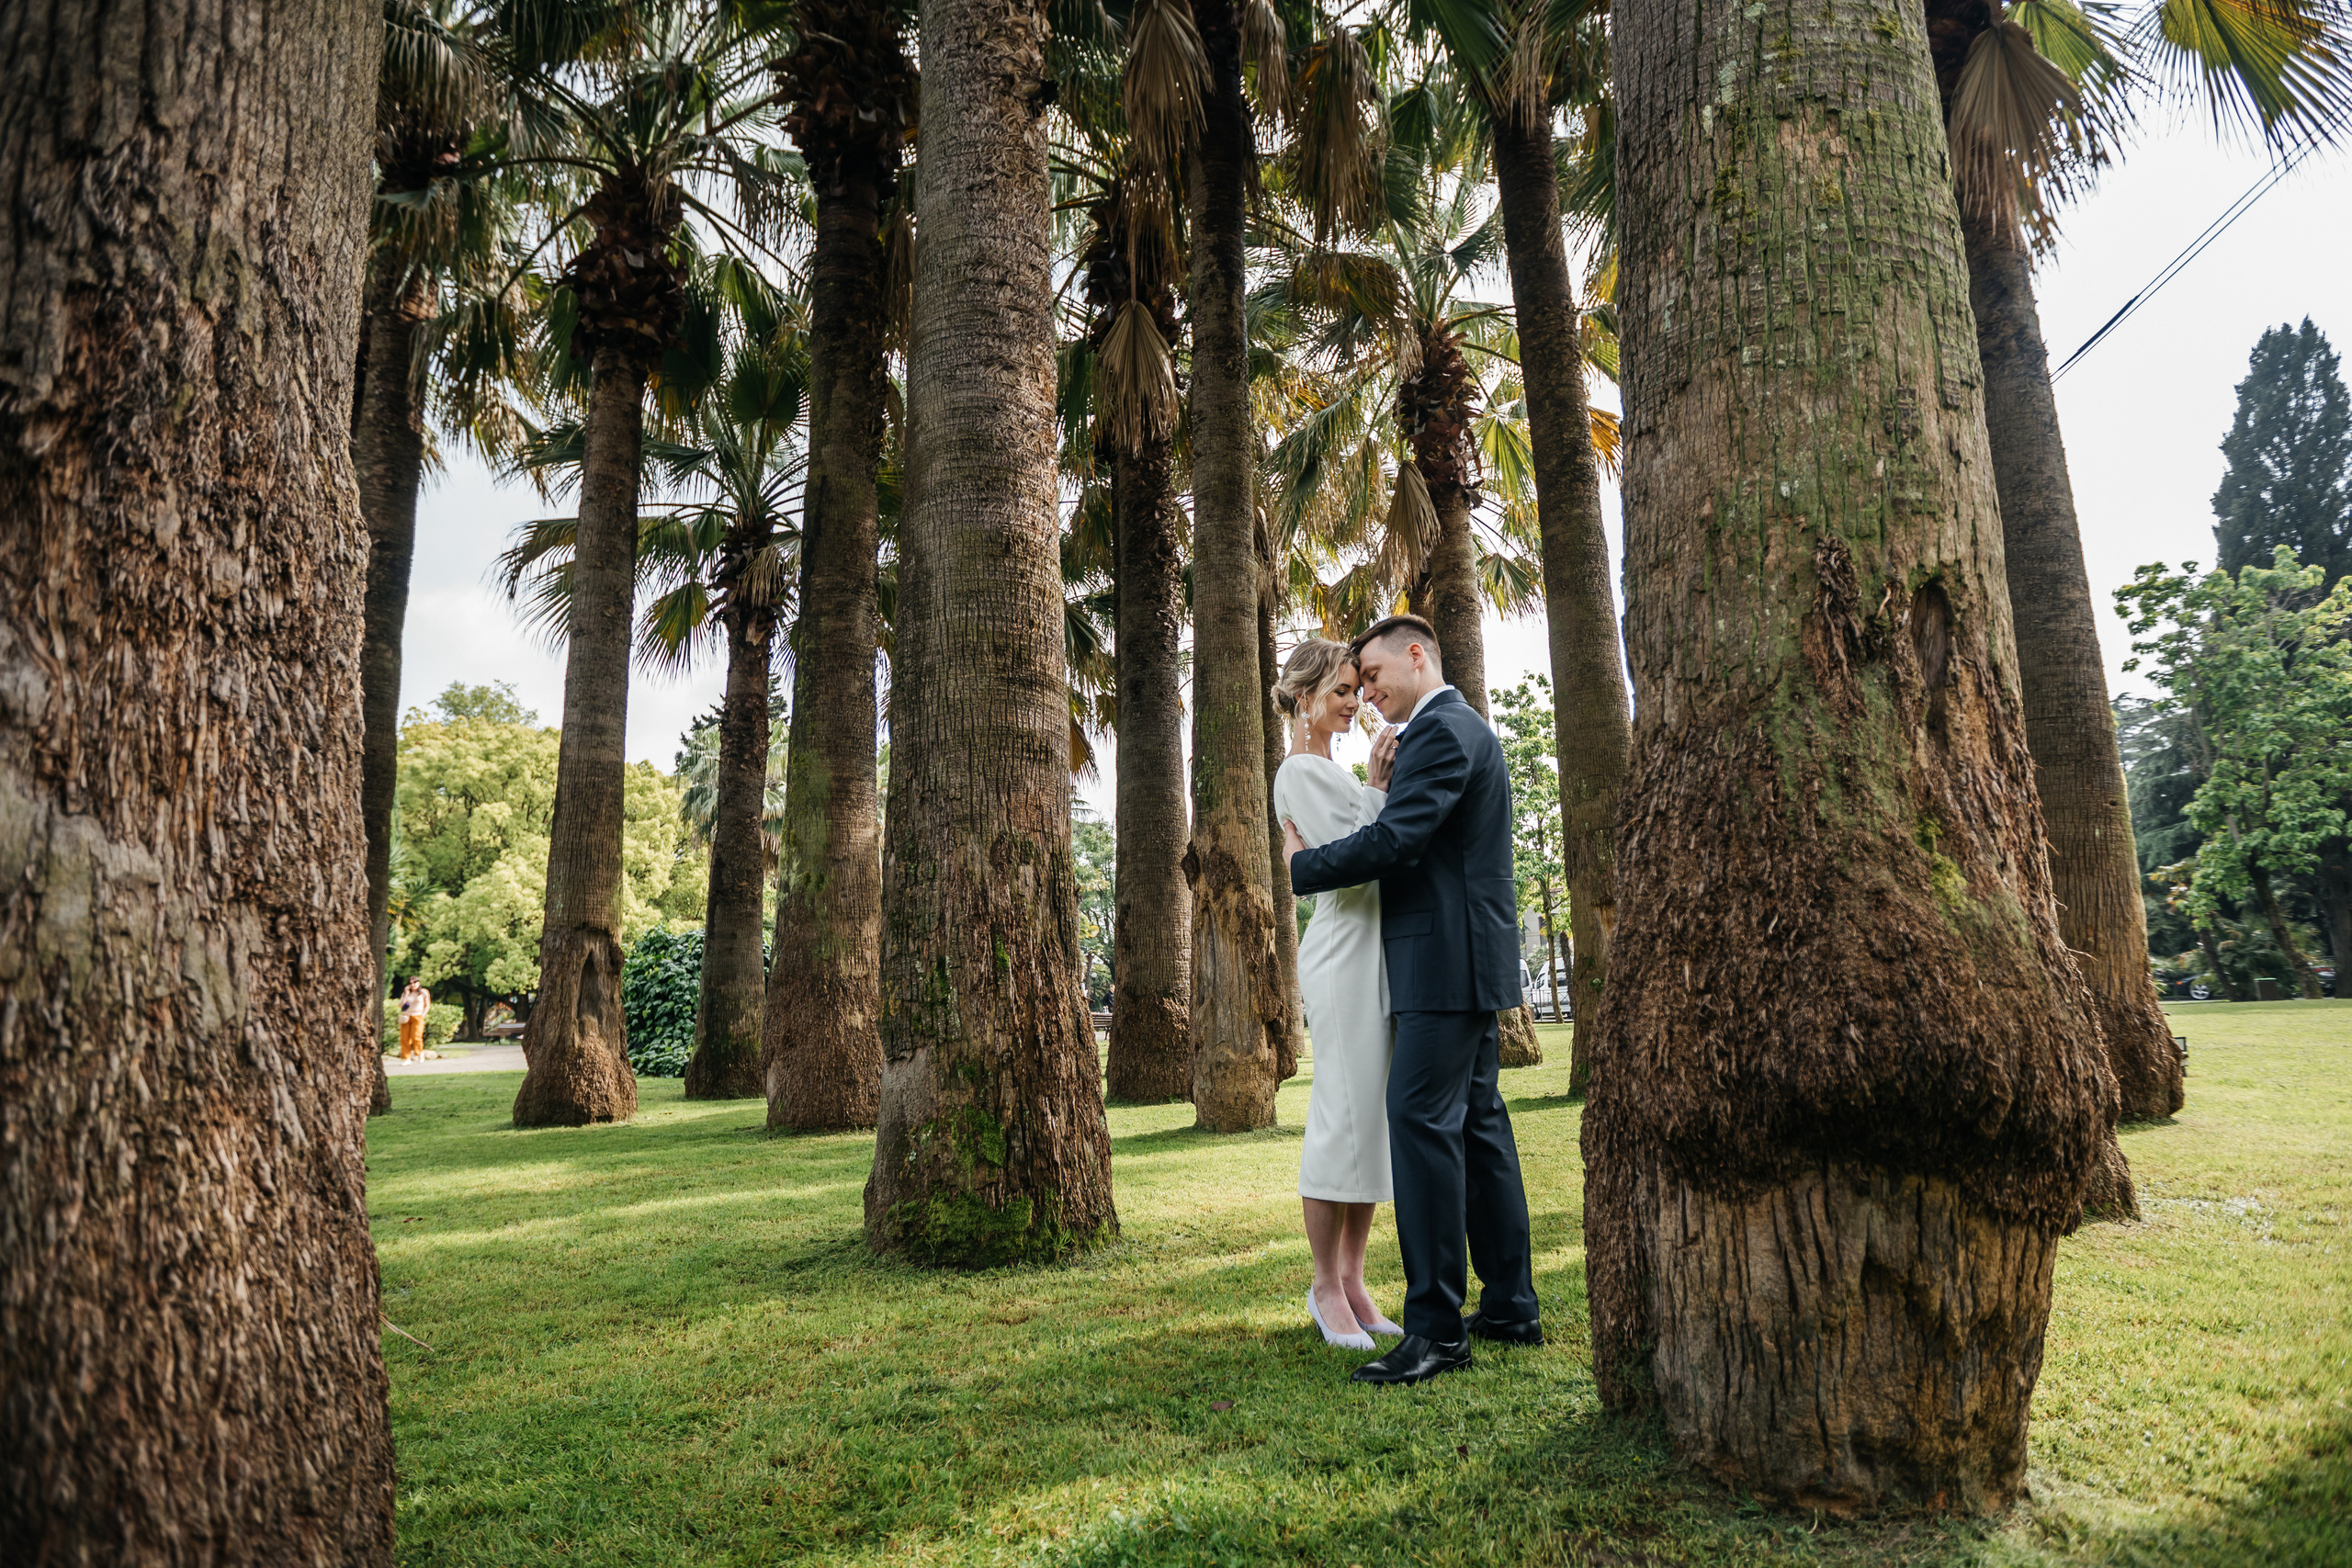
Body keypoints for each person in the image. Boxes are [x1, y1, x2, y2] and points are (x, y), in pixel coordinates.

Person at [1282, 615, 1541, 1385]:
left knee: (1423, 1127)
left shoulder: (1438, 732)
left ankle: (1435, 1329)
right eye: (1354, 684)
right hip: (1463, 960)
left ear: (1417, 654)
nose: (1368, 693)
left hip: (1438, 963)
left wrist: (1302, 866)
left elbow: (1396, 841)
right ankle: (1508, 1305)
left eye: (1372, 676)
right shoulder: (1461, 728)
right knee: (1481, 1130)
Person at [1272, 639, 1408, 1353]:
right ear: (1305, 695)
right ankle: (1324, 1285)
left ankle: (1355, 1282)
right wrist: (1380, 793)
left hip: (1375, 951)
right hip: (1340, 951)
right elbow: (1351, 866)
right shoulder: (1298, 770)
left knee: (1373, 1123)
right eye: (1343, 689)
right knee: (1339, 1116)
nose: (1356, 702)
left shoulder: (1332, 767)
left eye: (1358, 688)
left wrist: (1373, 796)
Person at [397, 976, 431, 1062]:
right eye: (410, 983)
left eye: (414, 983)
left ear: (418, 983)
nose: (413, 985)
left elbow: (427, 1005)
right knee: (404, 1038)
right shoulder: (406, 994)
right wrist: (406, 993)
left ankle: (419, 1054)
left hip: (417, 1016)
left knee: (416, 1037)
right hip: (406, 1017)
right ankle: (406, 1058)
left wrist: (423, 1014)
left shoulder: (423, 992)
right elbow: (400, 1005)